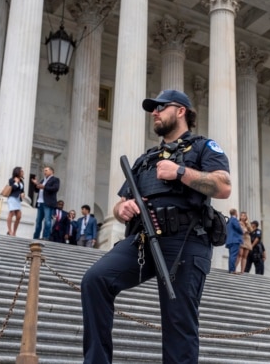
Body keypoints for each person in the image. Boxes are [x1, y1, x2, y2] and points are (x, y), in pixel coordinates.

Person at [81, 89, 231, 364]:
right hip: (144, 238)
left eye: (161, 107)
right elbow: (122, 201)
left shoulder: (202, 147)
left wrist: (180, 172)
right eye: (154, 108)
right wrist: (121, 209)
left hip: (186, 241)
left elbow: (223, 186)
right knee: (95, 280)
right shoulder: (146, 158)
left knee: (178, 323)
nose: (155, 112)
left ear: (181, 111)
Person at [31, 165, 60, 239]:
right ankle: (36, 236)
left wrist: (44, 187)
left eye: (46, 170)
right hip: (40, 202)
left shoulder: (55, 179)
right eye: (44, 171)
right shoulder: (42, 180)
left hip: (48, 203)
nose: (44, 172)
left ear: (52, 171)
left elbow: (55, 188)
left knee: (47, 221)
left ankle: (46, 236)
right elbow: (36, 190)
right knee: (38, 221)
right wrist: (36, 184)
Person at [6, 166, 26, 236]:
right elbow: (13, 188)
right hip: (12, 198)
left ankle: (14, 232)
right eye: (21, 171)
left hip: (18, 199)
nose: (23, 173)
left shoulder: (22, 181)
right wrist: (16, 182)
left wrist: (23, 193)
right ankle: (10, 231)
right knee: (11, 213)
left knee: (19, 216)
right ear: (17, 172)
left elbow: (22, 190)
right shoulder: (11, 179)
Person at [226, 208, 242, 273]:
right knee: (233, 255)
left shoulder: (229, 220)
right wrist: (242, 231)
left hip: (229, 240)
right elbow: (238, 228)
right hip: (235, 240)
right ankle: (232, 269)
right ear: (235, 213)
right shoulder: (234, 219)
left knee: (231, 255)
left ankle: (231, 269)